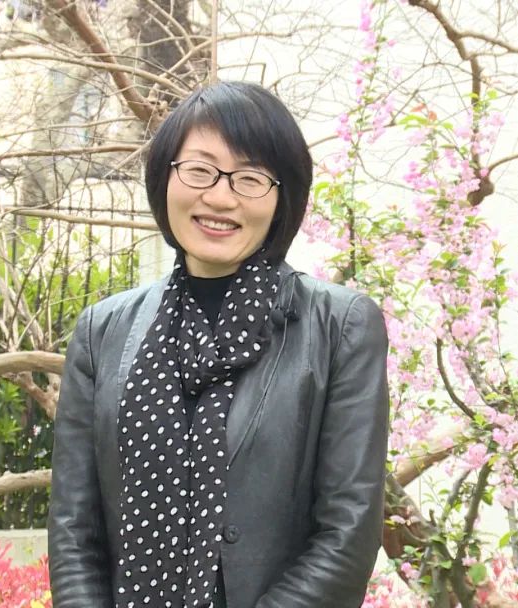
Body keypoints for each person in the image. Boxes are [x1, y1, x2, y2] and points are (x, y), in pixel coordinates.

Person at [47, 81, 389, 608]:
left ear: (283, 197)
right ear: (165, 178)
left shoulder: (340, 326)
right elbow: (74, 529)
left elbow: (348, 533)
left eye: (250, 178)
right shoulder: (102, 330)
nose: (221, 198)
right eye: (200, 170)